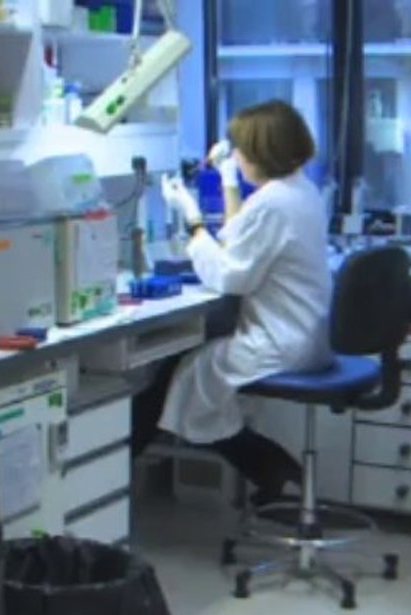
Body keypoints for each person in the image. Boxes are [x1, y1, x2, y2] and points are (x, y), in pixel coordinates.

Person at [137, 100, 333, 507]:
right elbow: (239, 235)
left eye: (240, 149)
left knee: (180, 377)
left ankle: (270, 468)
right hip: (305, 338)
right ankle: (271, 473)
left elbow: (230, 276)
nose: (237, 155)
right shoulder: (300, 190)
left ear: (261, 152)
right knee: (180, 377)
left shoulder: (274, 202)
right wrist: (228, 177)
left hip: (280, 344)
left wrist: (191, 221)